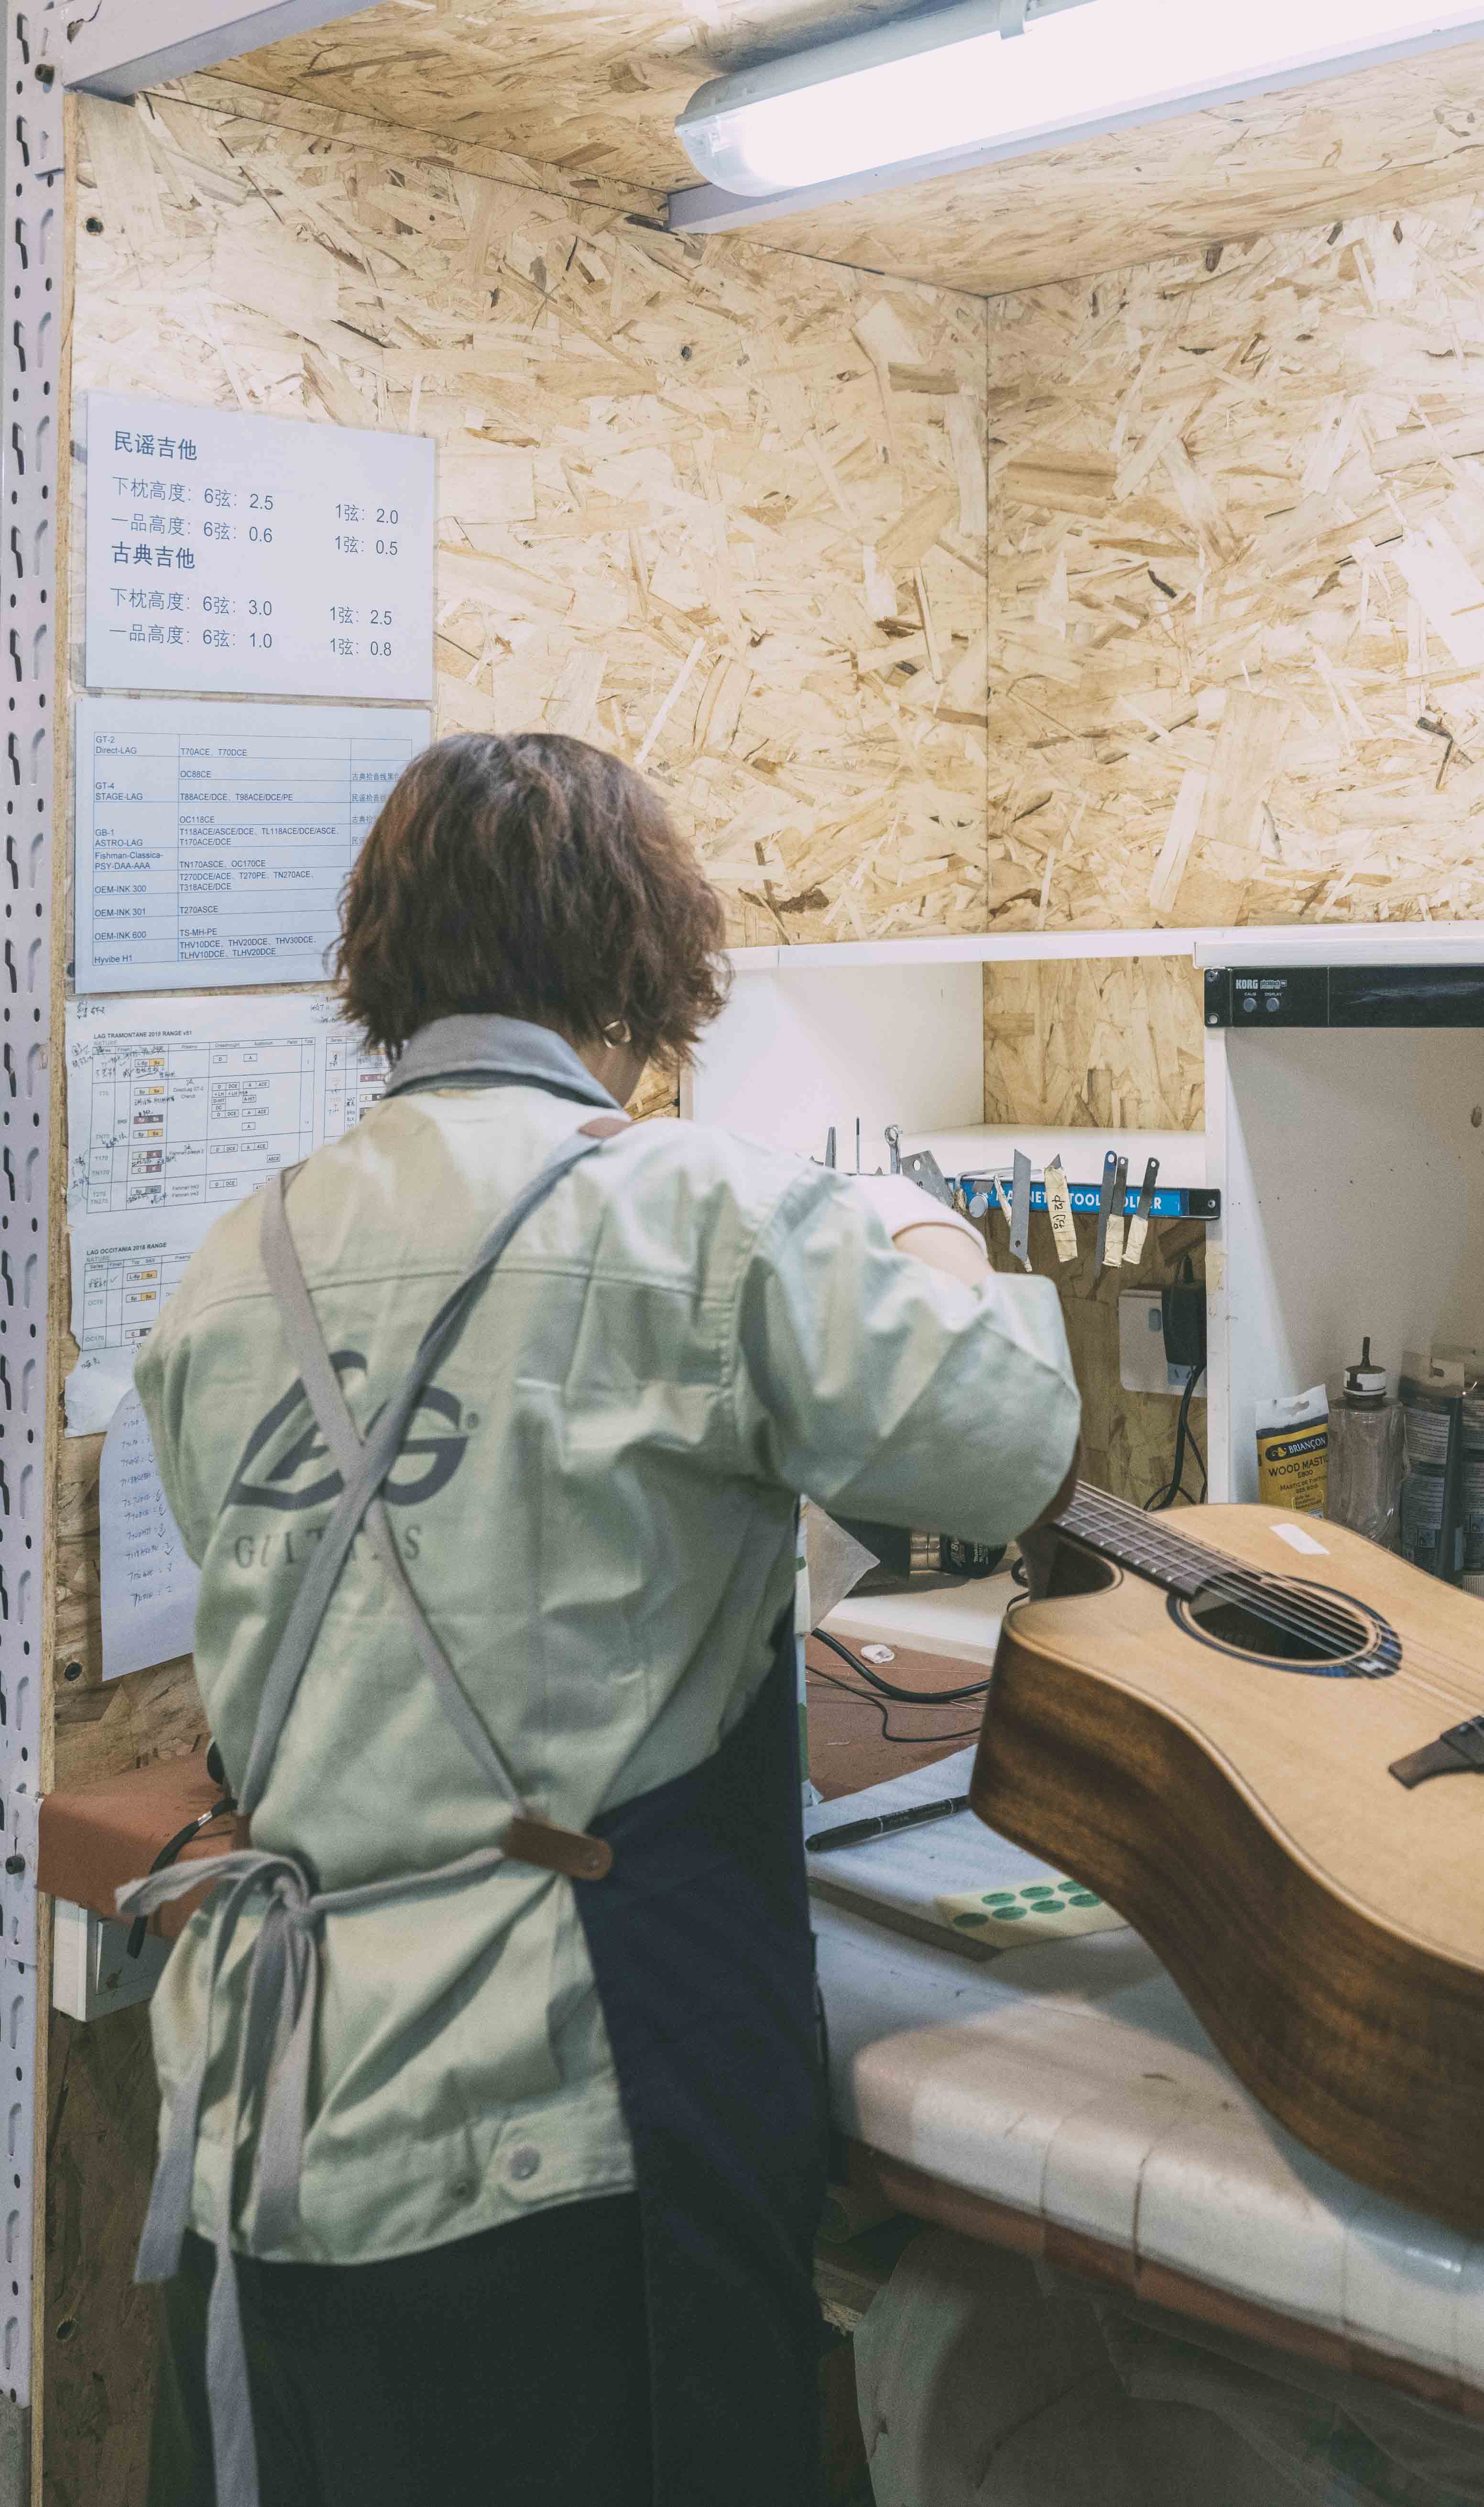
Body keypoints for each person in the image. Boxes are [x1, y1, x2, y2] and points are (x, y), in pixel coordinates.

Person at [123, 732, 1080, 2507]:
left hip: (272, 2127)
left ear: (385, 964)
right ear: (643, 963)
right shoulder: (699, 1208)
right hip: (561, 2137)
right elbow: (1010, 1434)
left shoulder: (236, 1262)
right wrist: (925, 1225)